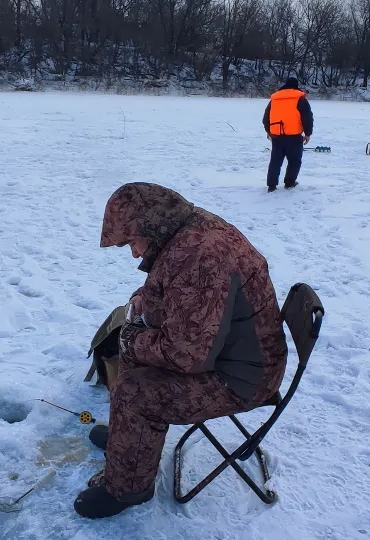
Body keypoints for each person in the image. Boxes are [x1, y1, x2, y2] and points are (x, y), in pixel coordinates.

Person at [73, 182, 289, 519]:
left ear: (151, 226)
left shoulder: (199, 256)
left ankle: (127, 489)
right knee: (134, 344)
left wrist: (132, 340)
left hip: (243, 379)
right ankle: (127, 440)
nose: (133, 253)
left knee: (136, 390)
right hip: (231, 355)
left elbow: (186, 355)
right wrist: (141, 304)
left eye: (132, 242)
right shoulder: (185, 231)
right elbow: (173, 291)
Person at [262, 77, 313, 192]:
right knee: (294, 161)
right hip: (294, 136)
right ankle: (289, 183)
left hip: (276, 136)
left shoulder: (274, 99)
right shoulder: (300, 99)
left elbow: (266, 118)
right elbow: (307, 117)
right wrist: (308, 133)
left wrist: (268, 131)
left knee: (275, 161)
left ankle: (271, 185)